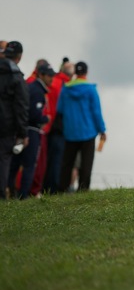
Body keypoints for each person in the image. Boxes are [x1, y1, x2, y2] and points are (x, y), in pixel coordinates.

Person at [56, 61, 107, 192]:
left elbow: (60, 110)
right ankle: (83, 189)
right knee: (86, 163)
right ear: (86, 72)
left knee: (67, 163)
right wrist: (102, 130)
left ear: (75, 73)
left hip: (70, 131)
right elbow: (96, 111)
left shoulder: (66, 89)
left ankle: (62, 188)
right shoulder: (91, 89)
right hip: (88, 131)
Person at [8, 64, 54, 199]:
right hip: (31, 131)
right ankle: (23, 195)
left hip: (20, 129)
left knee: (15, 164)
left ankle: (10, 192)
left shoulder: (31, 87)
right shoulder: (37, 91)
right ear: (41, 75)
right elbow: (34, 114)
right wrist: (46, 118)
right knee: (29, 164)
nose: (52, 78)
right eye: (49, 75)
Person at [0, 41, 29, 200]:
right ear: (19, 56)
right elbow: (21, 106)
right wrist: (23, 133)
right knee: (3, 160)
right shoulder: (16, 76)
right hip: (6, 125)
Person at [43, 58, 74, 194]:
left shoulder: (52, 81)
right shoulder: (66, 86)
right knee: (57, 160)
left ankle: (44, 187)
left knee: (47, 159)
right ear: (71, 75)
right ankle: (53, 189)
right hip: (59, 126)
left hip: (47, 126)